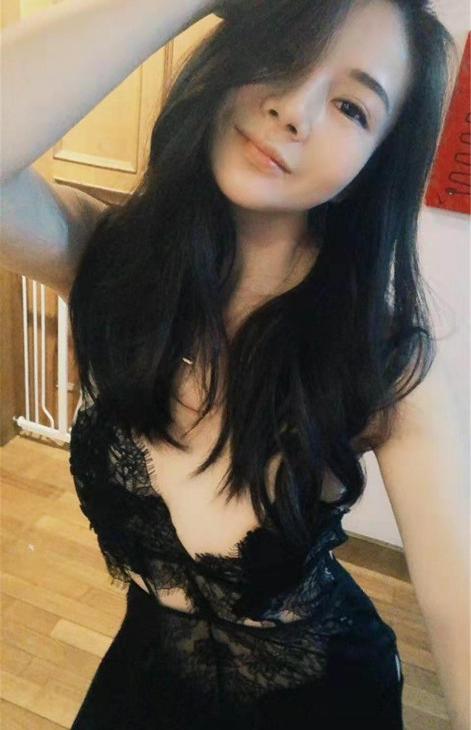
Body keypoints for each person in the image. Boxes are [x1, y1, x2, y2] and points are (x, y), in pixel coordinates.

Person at [1, 0, 466, 728]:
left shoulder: (383, 361)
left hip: (319, 697)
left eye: (351, 106)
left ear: (368, 168)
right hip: (148, 666)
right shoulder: (106, 258)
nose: (294, 110)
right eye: (287, 51)